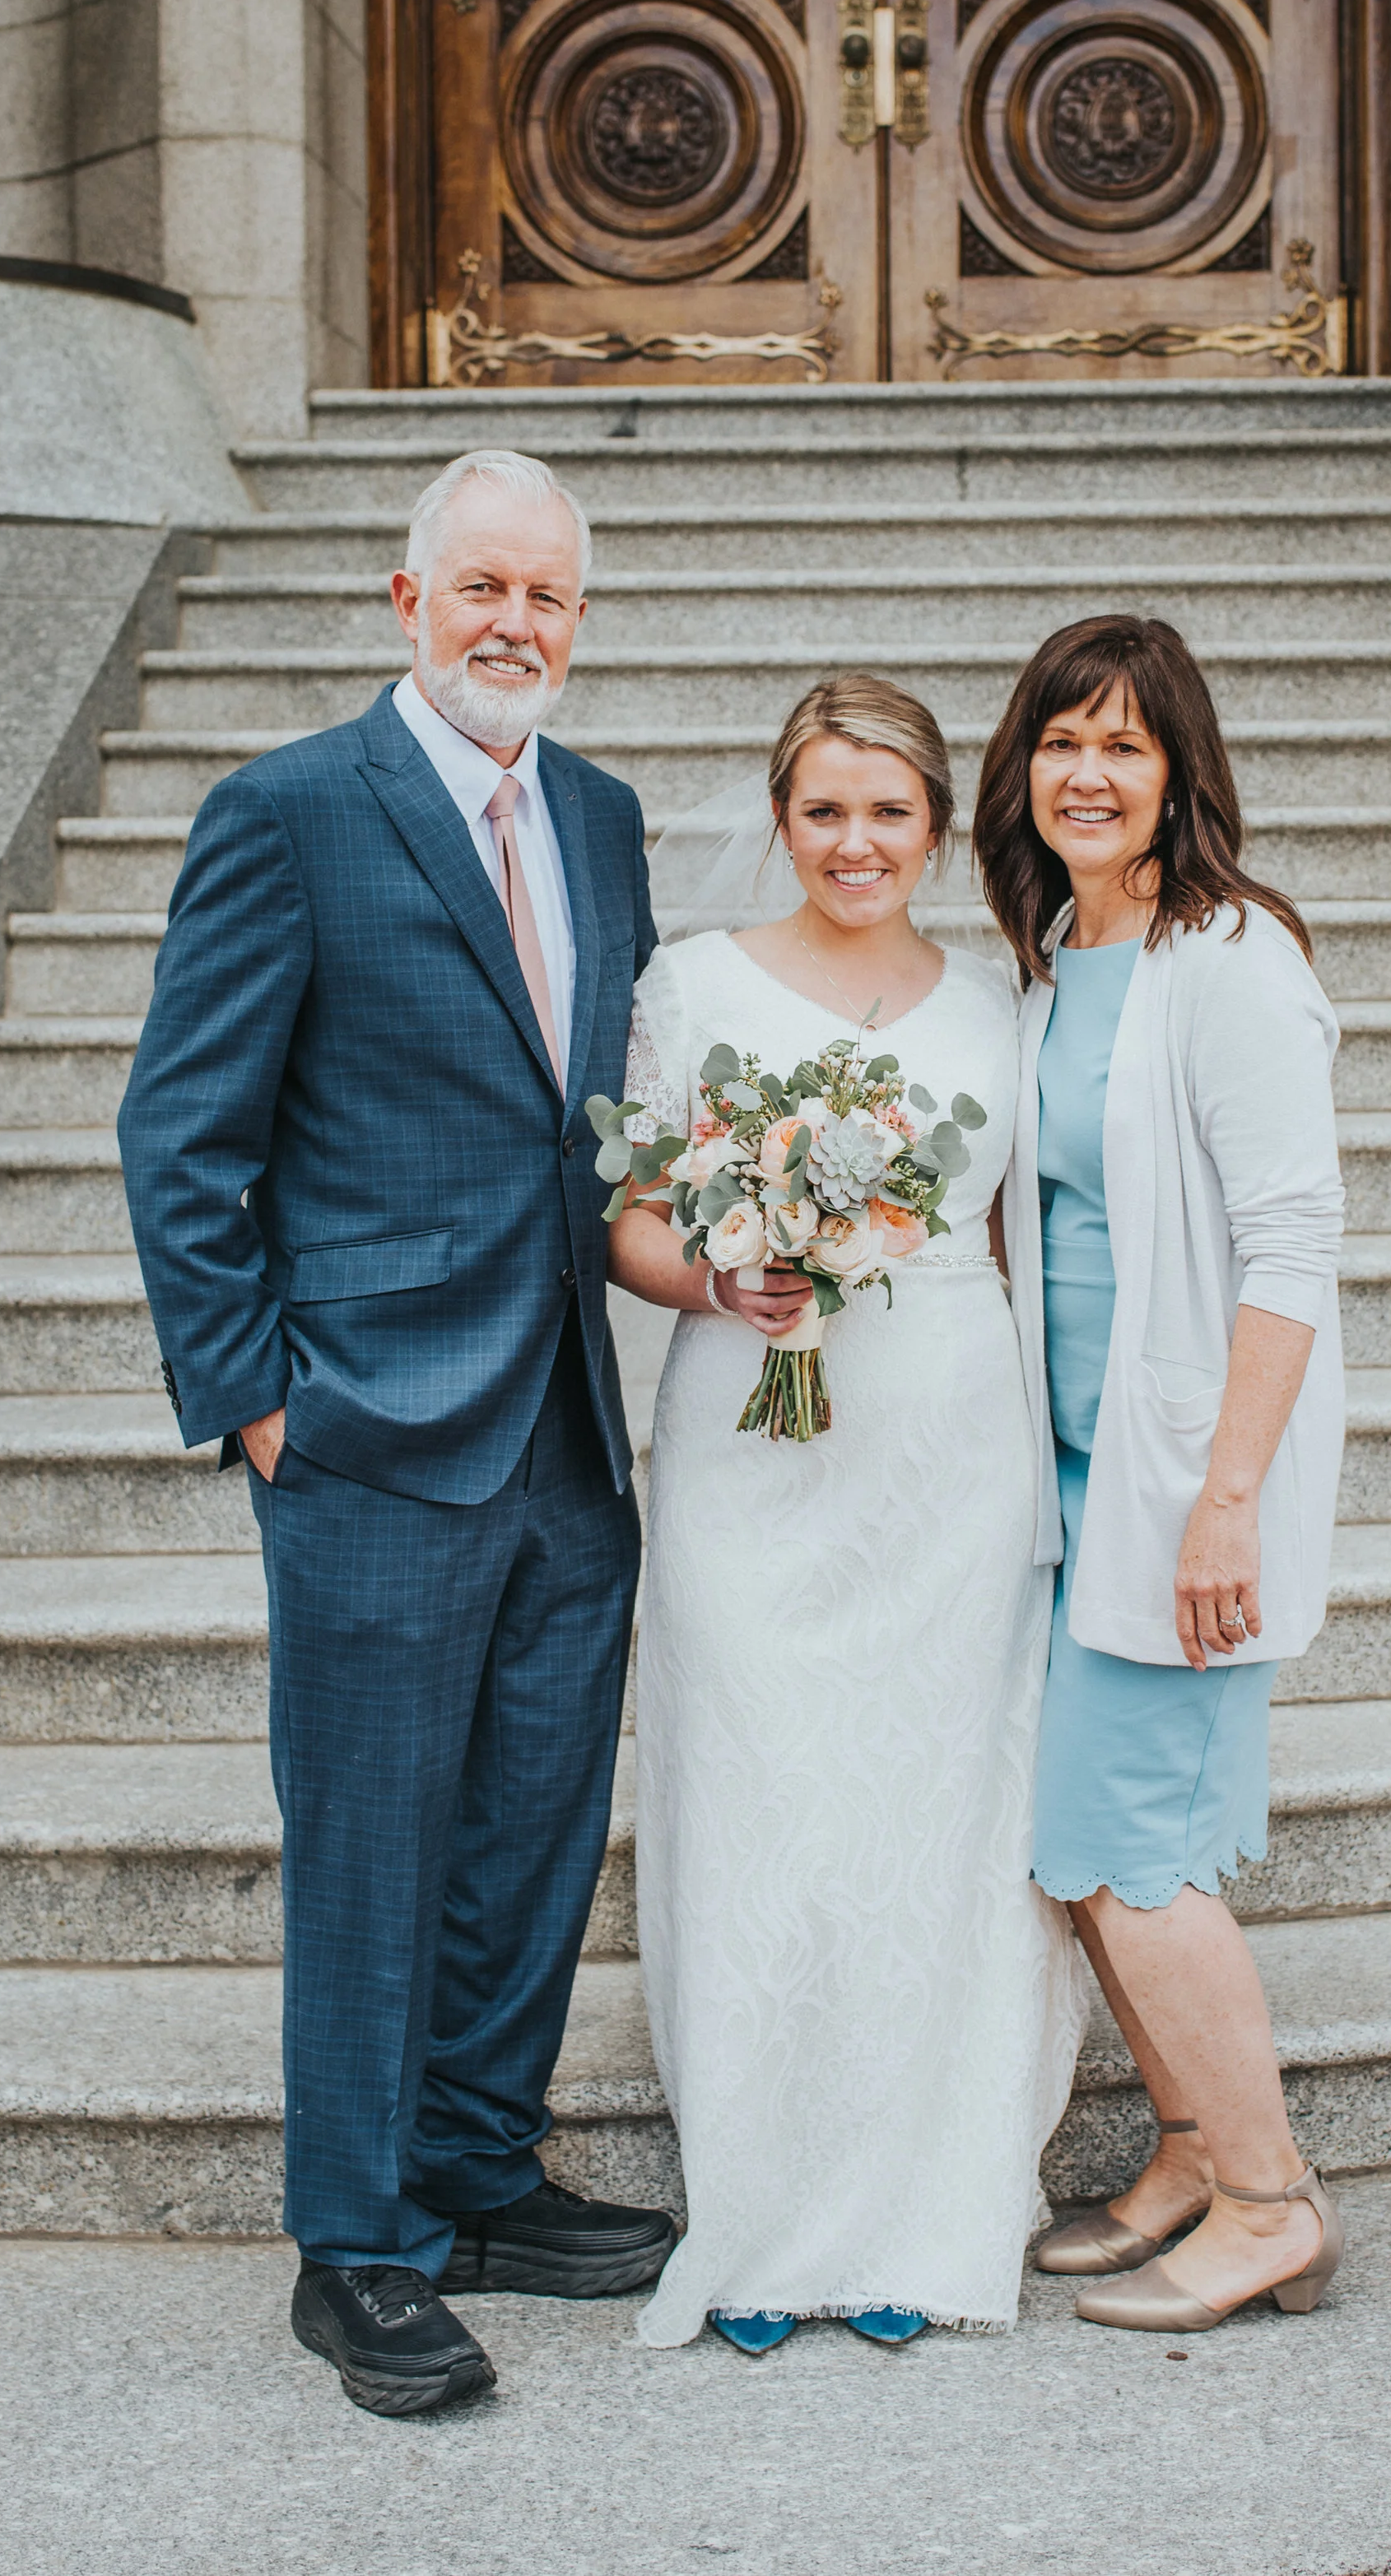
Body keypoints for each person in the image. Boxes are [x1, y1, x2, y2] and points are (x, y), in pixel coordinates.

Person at [119, 449, 677, 2417]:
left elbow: (581, 1115)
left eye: (550, 596)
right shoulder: (287, 813)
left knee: (527, 1837)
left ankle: (474, 2170)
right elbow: (181, 1140)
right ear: (405, 598)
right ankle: (355, 2240)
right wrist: (260, 1403)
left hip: (564, 1433)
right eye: (483, 589)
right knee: (372, 1847)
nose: (515, 624)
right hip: (363, 1434)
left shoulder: (603, 820)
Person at [609, 677, 1084, 2352]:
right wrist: (726, 1266)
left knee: (934, 1826)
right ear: (781, 815)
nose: (852, 842)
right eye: (822, 810)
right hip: (752, 1443)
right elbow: (633, 1229)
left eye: (886, 811)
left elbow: (1028, 1241)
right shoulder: (693, 984)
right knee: (763, 1811)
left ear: (938, 826)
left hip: (945, 1451)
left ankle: (919, 2212)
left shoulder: (998, 1001)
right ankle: (758, 2221)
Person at [974, 613, 1347, 2337]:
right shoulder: (1056, 956)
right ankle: (1190, 2148)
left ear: (1177, 771)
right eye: (1063, 741)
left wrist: (1223, 1499)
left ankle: (1268, 2199)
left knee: (1128, 1846)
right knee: (1084, 1848)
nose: (1089, 773)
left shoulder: (1229, 957)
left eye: (1125, 744)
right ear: (1022, 769)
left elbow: (1288, 1247)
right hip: (1065, 1473)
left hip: (1184, 1484)